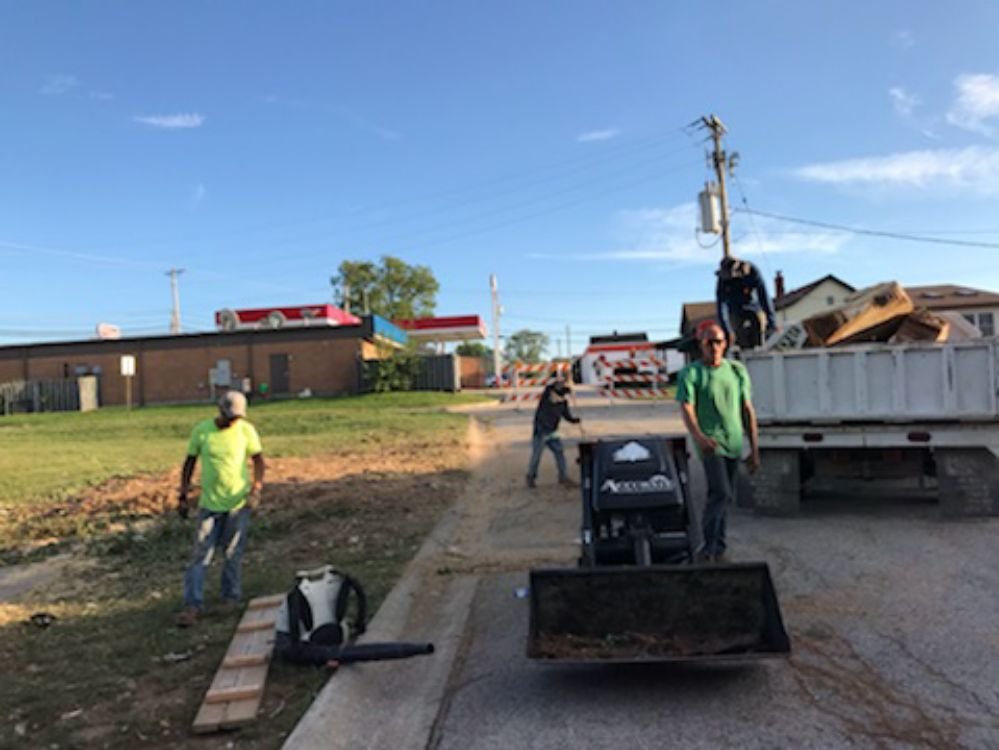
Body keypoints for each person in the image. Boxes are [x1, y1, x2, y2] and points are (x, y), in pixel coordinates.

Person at [176, 390, 265, 627]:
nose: (234, 421)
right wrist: (183, 495)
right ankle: (193, 604)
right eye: (231, 417)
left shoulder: (246, 431)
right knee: (200, 554)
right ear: (221, 411)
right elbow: (189, 463)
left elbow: (258, 461)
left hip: (238, 504)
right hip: (209, 505)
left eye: (238, 417)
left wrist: (256, 489)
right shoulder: (202, 431)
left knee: (232, 552)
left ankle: (231, 598)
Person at [676, 321, 760, 562]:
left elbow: (747, 409)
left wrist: (754, 449)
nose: (714, 347)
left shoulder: (736, 371)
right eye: (708, 342)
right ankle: (707, 547)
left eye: (718, 342)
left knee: (725, 495)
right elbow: (687, 408)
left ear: (726, 344)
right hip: (710, 443)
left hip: (733, 442)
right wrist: (699, 436)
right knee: (720, 492)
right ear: (700, 344)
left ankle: (719, 548)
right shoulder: (692, 373)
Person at [526, 375, 581, 488]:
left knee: (559, 453)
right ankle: (531, 476)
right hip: (541, 431)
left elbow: (567, 416)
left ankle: (563, 477)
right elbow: (551, 386)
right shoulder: (547, 396)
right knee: (536, 456)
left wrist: (575, 420)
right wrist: (562, 381)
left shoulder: (563, 402)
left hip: (553, 431)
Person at [715, 256, 777, 349]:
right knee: (739, 331)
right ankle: (742, 348)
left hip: (754, 306)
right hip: (734, 308)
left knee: (758, 324)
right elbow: (721, 306)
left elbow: (764, 297)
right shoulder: (722, 280)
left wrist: (772, 322)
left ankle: (760, 346)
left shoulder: (753, 272)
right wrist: (726, 330)